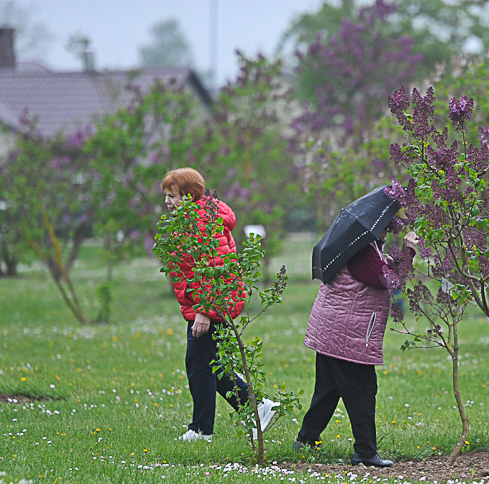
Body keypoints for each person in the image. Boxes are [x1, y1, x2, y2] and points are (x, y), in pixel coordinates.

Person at [161, 167, 276, 442]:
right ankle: (256, 407)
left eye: (172, 196)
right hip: (207, 306)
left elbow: (215, 268)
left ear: (188, 196)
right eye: (166, 196)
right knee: (211, 364)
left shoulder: (202, 223)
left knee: (199, 365)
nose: (167, 202)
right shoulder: (191, 220)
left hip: (209, 307)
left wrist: (204, 311)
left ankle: (201, 430)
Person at [295, 227, 419, 466]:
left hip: (332, 328)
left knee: (328, 389)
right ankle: (365, 451)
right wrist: (409, 250)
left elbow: (381, 272)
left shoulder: (358, 243)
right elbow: (390, 280)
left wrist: (392, 257)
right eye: (387, 226)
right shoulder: (362, 250)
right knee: (363, 389)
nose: (389, 229)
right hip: (347, 332)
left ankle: (305, 440)